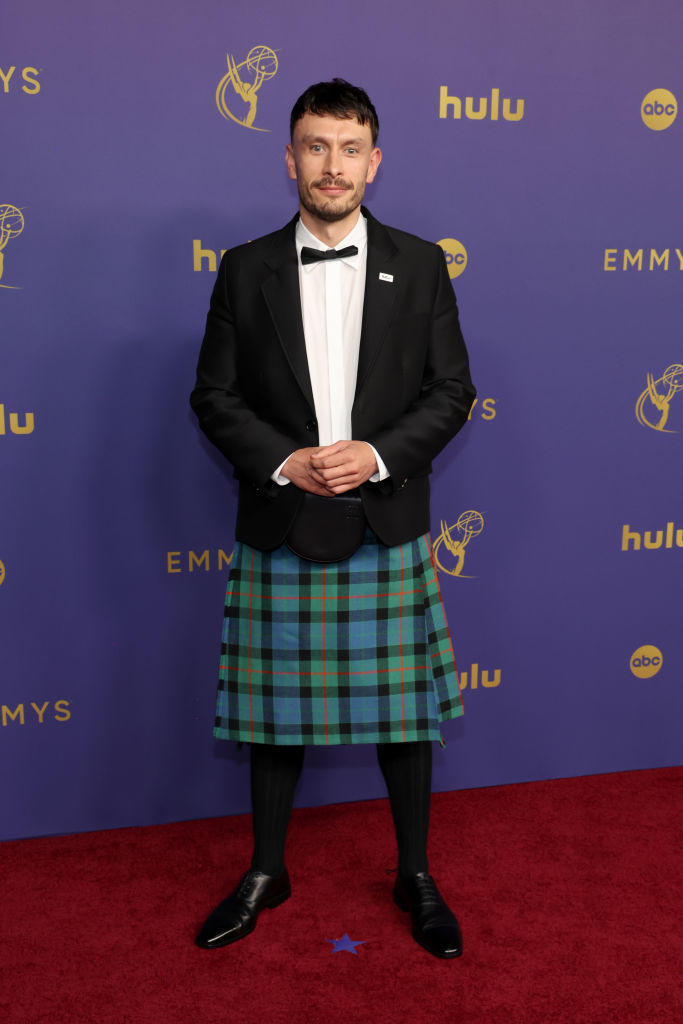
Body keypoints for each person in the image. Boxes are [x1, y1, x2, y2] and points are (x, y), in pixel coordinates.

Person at [190, 78, 476, 959]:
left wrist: (377, 453)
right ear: (289, 158)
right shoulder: (244, 268)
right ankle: (266, 871)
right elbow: (214, 395)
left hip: (382, 517)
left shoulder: (422, 262)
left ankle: (414, 873)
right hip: (283, 515)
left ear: (374, 161)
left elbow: (451, 390)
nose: (332, 165)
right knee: (274, 715)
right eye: (315, 147)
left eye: (349, 149)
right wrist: (285, 459)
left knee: (403, 716)